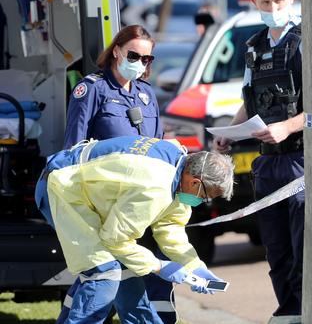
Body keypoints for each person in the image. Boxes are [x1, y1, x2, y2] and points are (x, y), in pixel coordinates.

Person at [34, 136, 234, 323]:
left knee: (127, 273)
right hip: (61, 187)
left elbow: (170, 227)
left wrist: (194, 266)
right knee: (104, 274)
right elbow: (115, 240)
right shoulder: (154, 186)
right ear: (195, 182)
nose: (203, 201)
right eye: (206, 196)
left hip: (81, 191)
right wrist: (160, 266)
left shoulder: (179, 167)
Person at [62, 24, 176, 323]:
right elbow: (73, 151)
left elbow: (157, 147)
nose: (140, 63)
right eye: (134, 55)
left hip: (139, 205)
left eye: (147, 58)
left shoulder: (147, 95)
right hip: (103, 205)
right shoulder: (92, 89)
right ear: (116, 51)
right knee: (107, 275)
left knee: (140, 275)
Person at [214, 0, 304, 323]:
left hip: (299, 160)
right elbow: (249, 100)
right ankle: (288, 313)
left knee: (303, 251)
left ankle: (301, 313)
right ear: (254, 2)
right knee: (277, 251)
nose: (273, 6)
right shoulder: (254, 48)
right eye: (265, 1)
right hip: (267, 165)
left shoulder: (304, 43)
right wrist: (229, 131)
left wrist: (288, 127)